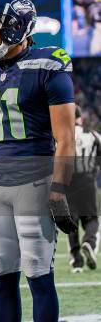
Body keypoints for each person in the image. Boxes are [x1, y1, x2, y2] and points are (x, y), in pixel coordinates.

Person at [0, 0, 77, 322]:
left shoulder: (49, 63)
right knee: (2, 280)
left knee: (38, 277)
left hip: (35, 183)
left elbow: (66, 138)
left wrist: (59, 189)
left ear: (19, 24)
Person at [67, 105, 100, 272]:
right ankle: (89, 242)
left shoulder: (60, 136)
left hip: (67, 182)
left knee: (71, 222)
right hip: (87, 181)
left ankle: (77, 260)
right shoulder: (93, 135)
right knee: (92, 218)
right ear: (80, 118)